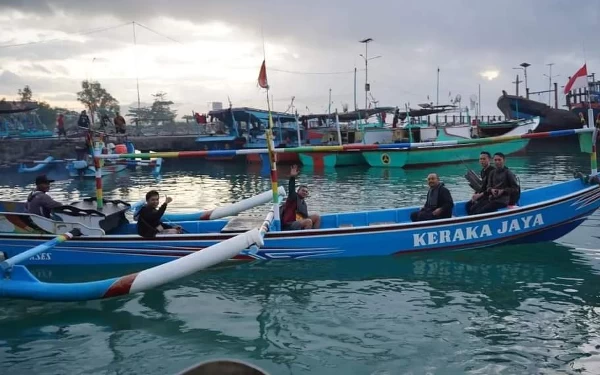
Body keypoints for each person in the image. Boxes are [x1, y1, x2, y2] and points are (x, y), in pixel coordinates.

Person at [281, 165, 321, 230]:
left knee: (317, 217)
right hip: (289, 224)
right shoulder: (293, 197)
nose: (304, 192)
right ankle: (306, 237)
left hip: (299, 221)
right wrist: (292, 177)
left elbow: (304, 216)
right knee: (308, 222)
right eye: (303, 190)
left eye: (306, 192)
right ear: (298, 191)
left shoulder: (303, 203)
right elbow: (291, 188)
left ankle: (315, 234)